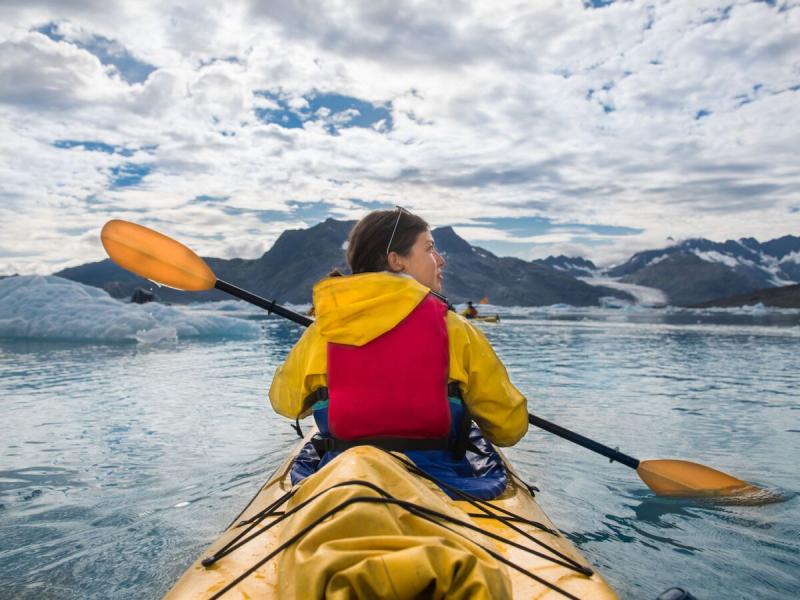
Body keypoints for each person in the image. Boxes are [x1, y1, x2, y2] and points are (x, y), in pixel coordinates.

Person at [269, 208, 528, 499]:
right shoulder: (456, 330)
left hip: (343, 483)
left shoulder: (322, 333)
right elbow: (509, 428)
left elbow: (284, 403)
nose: (440, 259)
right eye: (429, 248)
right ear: (396, 260)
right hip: (443, 486)